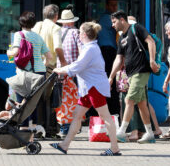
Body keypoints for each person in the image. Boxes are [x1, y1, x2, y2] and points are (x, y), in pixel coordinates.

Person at [51, 22, 121, 156]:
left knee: (105, 116)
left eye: (79, 33)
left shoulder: (90, 49)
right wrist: (63, 70)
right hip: (89, 88)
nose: (78, 35)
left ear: (83, 34)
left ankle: (115, 148)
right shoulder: (90, 47)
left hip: (94, 88)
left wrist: (60, 70)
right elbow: (78, 66)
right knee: (77, 116)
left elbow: (77, 66)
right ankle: (64, 145)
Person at [109, 10, 160, 144]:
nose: (113, 25)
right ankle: (149, 133)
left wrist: (152, 60)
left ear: (122, 20)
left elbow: (151, 42)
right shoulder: (121, 38)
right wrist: (111, 77)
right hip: (131, 74)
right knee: (142, 103)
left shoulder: (136, 28)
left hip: (141, 71)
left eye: (114, 22)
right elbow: (118, 59)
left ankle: (121, 131)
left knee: (129, 100)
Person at [7, 11, 52, 131]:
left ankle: (23, 130)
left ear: (21, 22)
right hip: (40, 73)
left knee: (22, 101)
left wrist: (8, 53)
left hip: (26, 73)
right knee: (33, 102)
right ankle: (32, 131)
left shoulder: (19, 34)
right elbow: (49, 56)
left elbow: (15, 52)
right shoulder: (38, 37)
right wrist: (42, 66)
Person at [32, 4, 67, 138]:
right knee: (49, 98)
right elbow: (58, 47)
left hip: (34, 67)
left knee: (37, 98)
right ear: (56, 16)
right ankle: (50, 130)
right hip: (48, 68)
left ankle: (37, 129)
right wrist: (63, 63)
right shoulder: (55, 28)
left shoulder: (36, 26)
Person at [56, 6, 82, 137]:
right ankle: (71, 127)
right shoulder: (76, 33)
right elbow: (82, 52)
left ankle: (64, 127)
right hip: (74, 72)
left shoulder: (58, 33)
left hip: (60, 72)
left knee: (64, 100)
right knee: (76, 100)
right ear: (72, 21)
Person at [97, 0, 120, 116]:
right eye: (112, 5)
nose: (114, 7)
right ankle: (113, 109)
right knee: (111, 80)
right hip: (107, 52)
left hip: (108, 51)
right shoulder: (107, 18)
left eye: (116, 5)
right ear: (106, 6)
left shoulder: (106, 18)